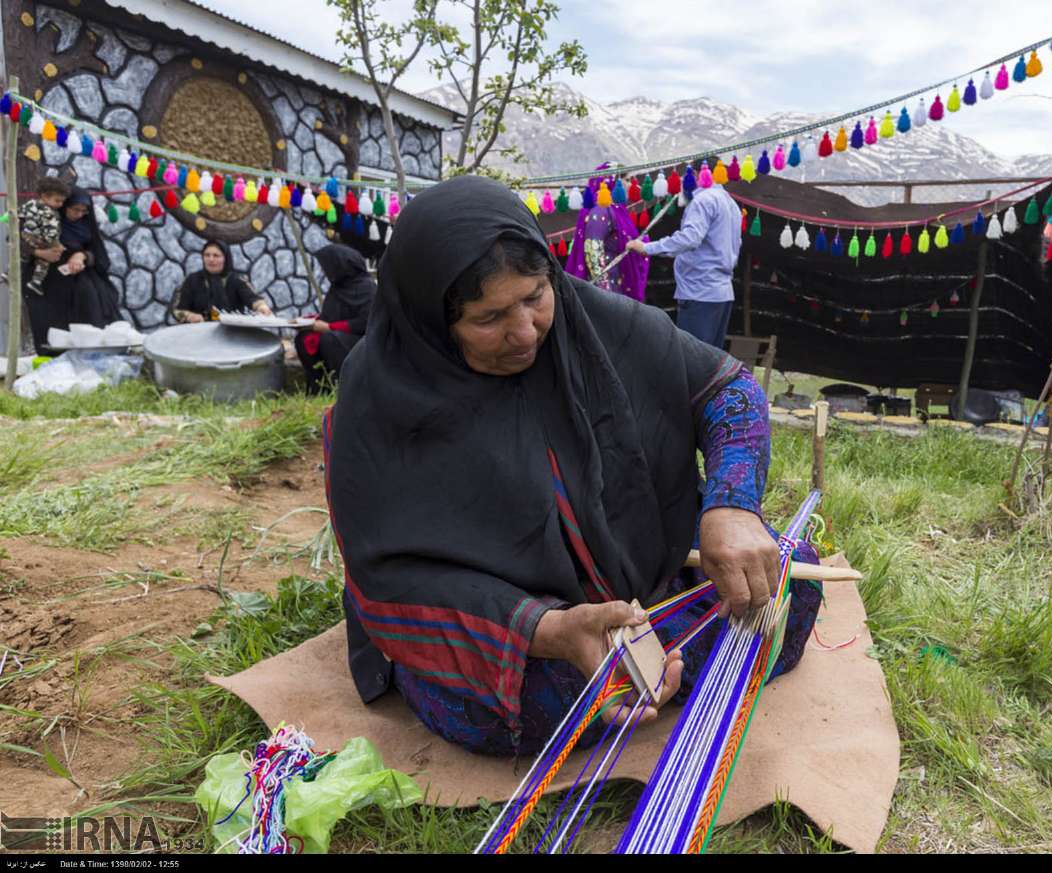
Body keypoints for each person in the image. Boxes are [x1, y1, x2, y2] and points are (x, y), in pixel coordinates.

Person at [324, 176, 821, 756]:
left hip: (644, 570)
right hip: (512, 623)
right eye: (488, 318)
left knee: (788, 579)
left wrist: (732, 507)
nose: (525, 331)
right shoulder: (378, 399)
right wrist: (551, 630)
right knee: (514, 703)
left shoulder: (593, 321)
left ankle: (649, 665)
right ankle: (659, 664)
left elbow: (729, 392)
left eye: (535, 296)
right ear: (432, 321)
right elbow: (389, 580)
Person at [625, 172, 741, 349]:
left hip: (700, 291)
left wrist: (647, 248)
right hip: (721, 292)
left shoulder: (703, 200)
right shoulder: (729, 202)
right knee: (711, 360)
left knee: (693, 359)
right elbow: (736, 244)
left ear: (695, 174)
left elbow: (689, 238)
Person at [22, 186, 120, 356]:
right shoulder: (45, 219)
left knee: (90, 312)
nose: (79, 215)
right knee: (52, 330)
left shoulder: (85, 225)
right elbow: (17, 241)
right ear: (64, 206)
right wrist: (40, 253)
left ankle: (91, 359)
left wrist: (81, 256)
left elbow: (98, 253)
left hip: (79, 280)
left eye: (84, 211)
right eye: (75, 210)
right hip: (48, 283)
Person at [294, 244, 373, 393]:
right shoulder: (338, 287)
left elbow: (365, 323)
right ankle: (319, 389)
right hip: (337, 334)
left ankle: (343, 388)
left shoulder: (367, 289)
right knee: (303, 338)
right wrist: (308, 321)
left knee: (330, 339)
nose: (324, 271)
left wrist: (330, 328)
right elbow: (331, 315)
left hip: (361, 340)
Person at [564, 166, 648, 301]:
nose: (629, 184)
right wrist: (605, 292)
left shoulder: (618, 211)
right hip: (607, 293)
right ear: (614, 182)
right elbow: (593, 251)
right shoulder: (601, 211)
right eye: (626, 180)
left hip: (619, 289)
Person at [171, 240, 272, 323]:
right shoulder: (192, 280)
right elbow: (177, 310)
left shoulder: (236, 280)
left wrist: (261, 307)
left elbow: (253, 299)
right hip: (197, 335)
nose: (211, 259)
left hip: (231, 333)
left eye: (216, 256)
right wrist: (189, 316)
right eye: (207, 255)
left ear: (225, 258)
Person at [19, 176, 70, 294]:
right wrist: (56, 245)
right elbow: (51, 233)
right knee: (44, 261)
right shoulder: (50, 213)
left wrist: (4, 218)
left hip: (26, 235)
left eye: (62, 201)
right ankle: (36, 281)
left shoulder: (30, 203)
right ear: (44, 196)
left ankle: (9, 273)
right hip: (41, 240)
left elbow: (19, 212)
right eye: (57, 201)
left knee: (22, 258)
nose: (61, 204)